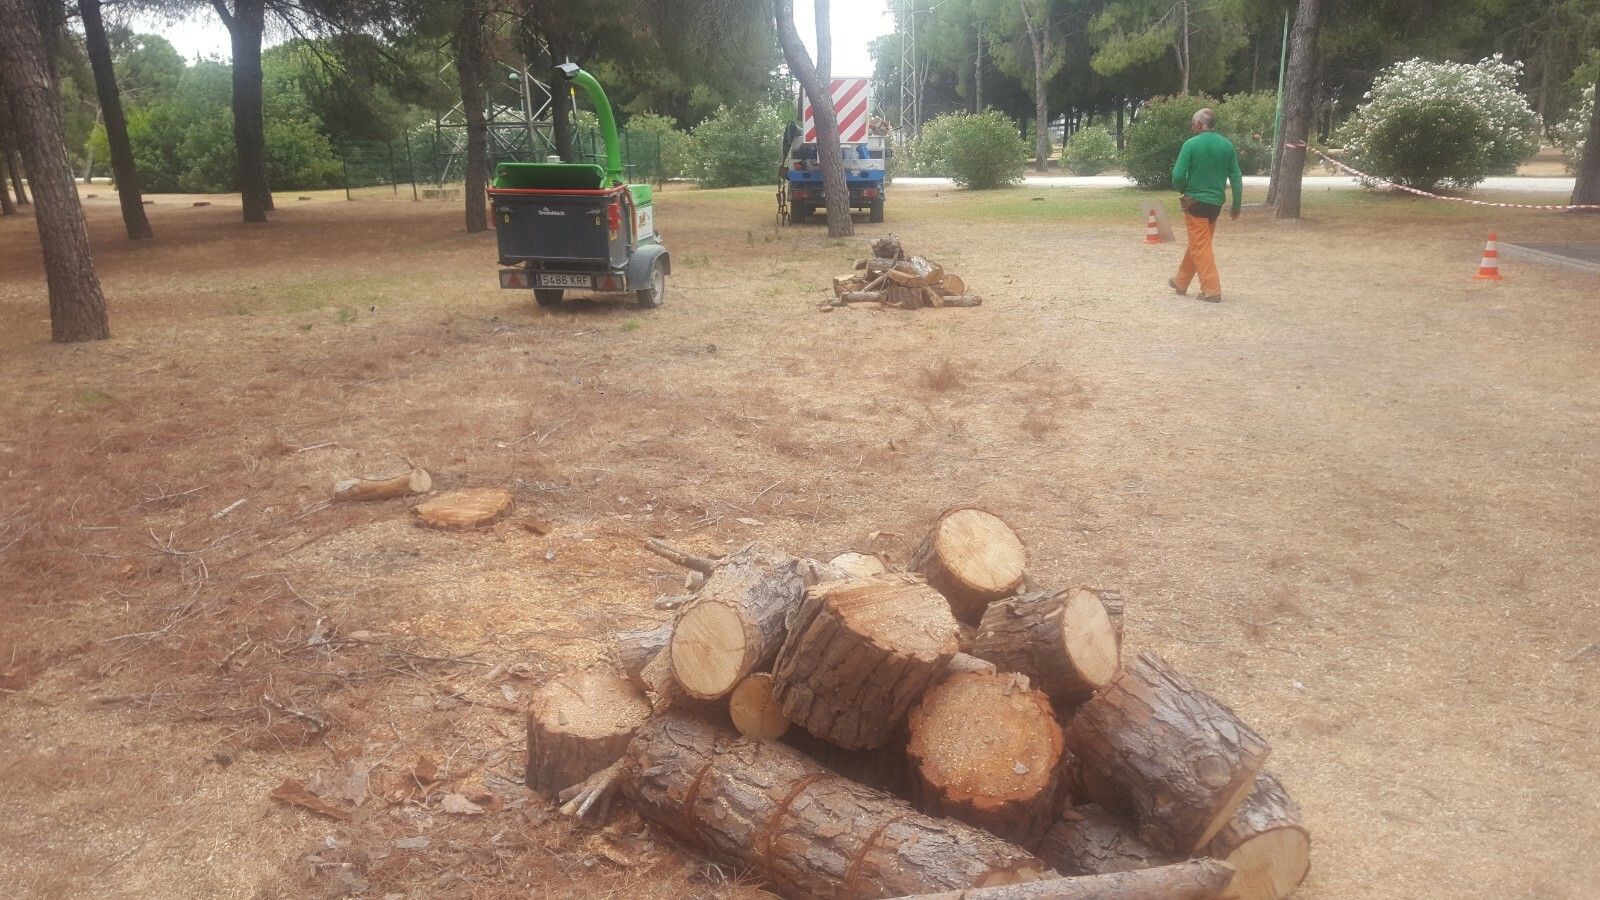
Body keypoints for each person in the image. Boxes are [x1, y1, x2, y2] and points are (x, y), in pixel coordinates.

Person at [1168, 108, 1243, 303]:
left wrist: (1184, 189)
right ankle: (1181, 280)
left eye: (1193, 124)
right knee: (1200, 243)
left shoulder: (1191, 144)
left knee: (1200, 246)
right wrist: (1236, 205)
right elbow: (1235, 176)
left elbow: (1177, 176)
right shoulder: (1227, 145)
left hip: (1195, 202)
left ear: (1200, 124)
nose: (1192, 127)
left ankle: (1212, 289)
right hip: (1215, 204)